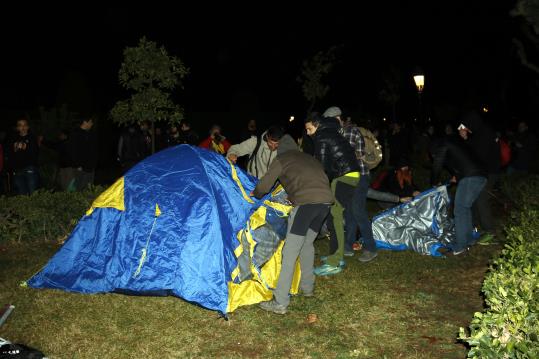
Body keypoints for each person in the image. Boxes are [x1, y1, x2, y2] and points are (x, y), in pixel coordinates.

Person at [253, 148, 333, 314]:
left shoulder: (282, 159)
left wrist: (256, 193)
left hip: (306, 205)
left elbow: (265, 185)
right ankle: (308, 288)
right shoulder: (309, 158)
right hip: (325, 202)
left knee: (289, 252)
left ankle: (280, 302)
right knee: (307, 245)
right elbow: (309, 181)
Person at [305, 113, 376, 277]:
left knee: (334, 217)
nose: (308, 133)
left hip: (344, 176)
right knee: (334, 216)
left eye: (309, 129)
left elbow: (321, 165)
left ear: (316, 125)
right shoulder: (332, 132)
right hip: (349, 175)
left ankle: (335, 261)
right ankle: (336, 256)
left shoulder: (321, 136)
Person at [430, 137, 486, 255]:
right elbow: (464, 161)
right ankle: (469, 240)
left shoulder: (443, 144)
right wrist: (458, 175)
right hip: (482, 175)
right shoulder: (456, 142)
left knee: (459, 210)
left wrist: (434, 181)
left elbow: (437, 163)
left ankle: (460, 246)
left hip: (470, 176)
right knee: (465, 208)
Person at [458, 110, 499, 236]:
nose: (467, 130)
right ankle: (474, 226)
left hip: (490, 172)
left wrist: (465, 140)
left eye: (467, 126)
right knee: (475, 197)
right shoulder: (479, 133)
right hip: (484, 172)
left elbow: (477, 155)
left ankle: (490, 231)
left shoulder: (485, 133)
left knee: (481, 199)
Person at [227, 126, 297, 179]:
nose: (273, 147)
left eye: (277, 144)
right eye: (271, 143)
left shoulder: (284, 149)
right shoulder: (256, 142)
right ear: (267, 137)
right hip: (253, 182)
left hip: (272, 189)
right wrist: (232, 154)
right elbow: (235, 148)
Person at [6, 118, 39, 195]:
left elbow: (35, 153)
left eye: (25, 125)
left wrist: (24, 146)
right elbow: (9, 153)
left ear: (28, 127)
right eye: (20, 125)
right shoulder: (13, 138)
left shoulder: (32, 138)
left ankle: (34, 207)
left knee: (33, 193)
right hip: (17, 170)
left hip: (29, 169)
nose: (23, 127)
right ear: (17, 128)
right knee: (21, 195)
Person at [68, 115, 98, 190]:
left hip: (90, 167)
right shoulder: (76, 134)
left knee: (89, 188)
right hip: (80, 167)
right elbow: (73, 150)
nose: (92, 124)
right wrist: (77, 165)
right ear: (85, 122)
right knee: (80, 188)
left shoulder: (91, 134)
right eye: (90, 122)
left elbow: (92, 150)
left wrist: (94, 163)